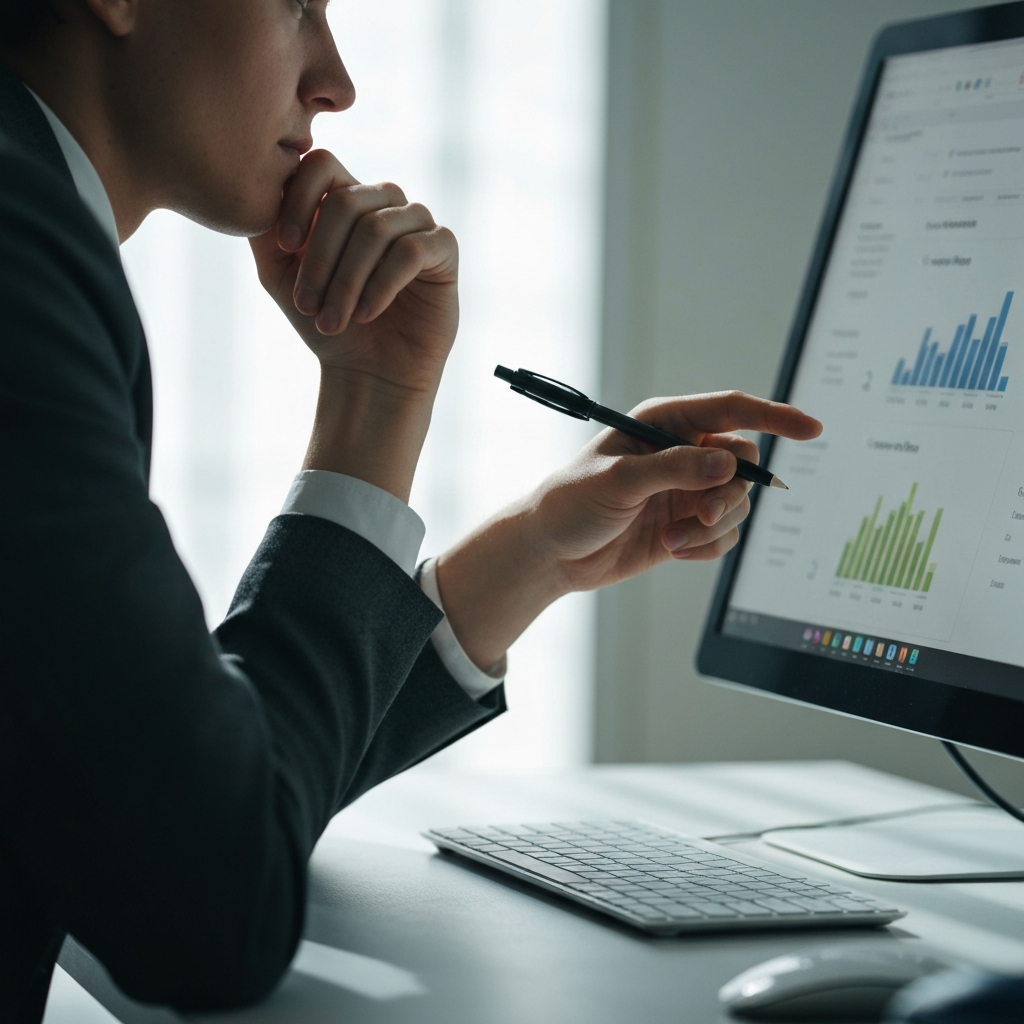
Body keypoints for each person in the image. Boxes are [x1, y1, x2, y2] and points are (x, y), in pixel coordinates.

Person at [0, 1, 822, 1021]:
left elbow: (144, 789)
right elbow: (201, 901)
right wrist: (370, 416)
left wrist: (531, 556)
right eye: (296, 6)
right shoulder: (21, 256)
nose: (335, 81)